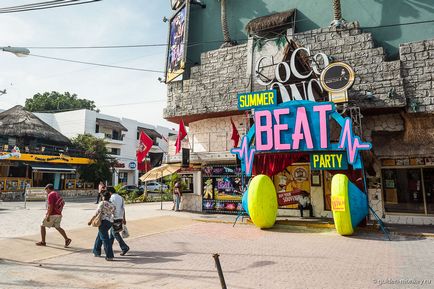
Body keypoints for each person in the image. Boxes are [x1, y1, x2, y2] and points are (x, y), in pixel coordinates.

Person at [89, 191, 115, 261]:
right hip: (110, 222)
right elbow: (113, 212)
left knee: (105, 239)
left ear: (103, 197)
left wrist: (90, 221)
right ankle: (96, 251)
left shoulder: (102, 203)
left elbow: (96, 213)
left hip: (103, 222)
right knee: (100, 236)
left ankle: (110, 255)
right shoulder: (112, 204)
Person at [107, 186, 130, 256]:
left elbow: (111, 209)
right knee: (112, 234)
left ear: (110, 192)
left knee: (115, 233)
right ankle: (109, 248)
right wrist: (124, 218)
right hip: (120, 217)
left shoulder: (111, 198)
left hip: (114, 218)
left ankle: (124, 247)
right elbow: (123, 209)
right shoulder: (120, 197)